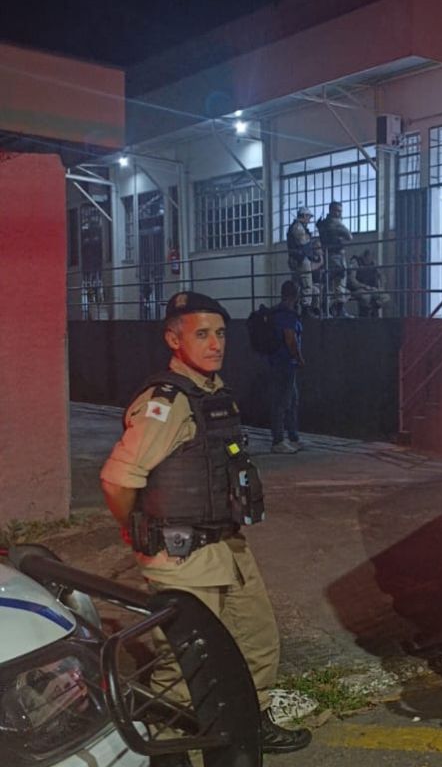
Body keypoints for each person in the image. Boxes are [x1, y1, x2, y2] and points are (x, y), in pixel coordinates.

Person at [99, 291, 311, 766]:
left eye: (220, 334)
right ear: (174, 340)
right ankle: (167, 750)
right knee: (183, 665)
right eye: (201, 334)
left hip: (226, 546)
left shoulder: (213, 394)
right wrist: (134, 529)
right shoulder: (166, 403)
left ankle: (250, 725)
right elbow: (117, 480)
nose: (215, 344)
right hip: (181, 555)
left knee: (256, 640)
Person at [268, 281, 305, 454]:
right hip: (285, 363)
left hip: (278, 362)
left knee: (291, 400)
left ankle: (292, 437)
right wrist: (299, 358)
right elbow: (290, 339)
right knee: (282, 402)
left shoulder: (275, 312)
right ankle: (278, 440)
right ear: (295, 295)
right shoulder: (287, 314)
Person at [316, 200, 353, 317]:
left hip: (327, 255)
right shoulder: (336, 223)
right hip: (337, 256)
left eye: (340, 211)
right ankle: (339, 310)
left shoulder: (323, 223)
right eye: (337, 211)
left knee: (329, 284)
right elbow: (349, 236)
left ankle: (325, 309)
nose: (339, 213)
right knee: (340, 282)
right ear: (331, 210)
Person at [286, 207, 317, 315]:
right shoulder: (298, 227)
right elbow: (303, 242)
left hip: (295, 258)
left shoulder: (295, 227)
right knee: (306, 283)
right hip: (300, 259)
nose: (309, 220)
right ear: (304, 216)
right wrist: (309, 237)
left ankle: (293, 307)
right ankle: (305, 308)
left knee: (297, 284)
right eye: (308, 217)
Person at [348, 247, 389, 318]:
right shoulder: (356, 262)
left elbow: (382, 276)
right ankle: (365, 318)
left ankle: (373, 310)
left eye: (371, 259)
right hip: (358, 288)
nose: (369, 261)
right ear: (364, 256)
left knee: (385, 297)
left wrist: (381, 287)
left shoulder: (373, 262)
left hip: (371, 289)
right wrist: (363, 286)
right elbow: (352, 280)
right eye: (368, 259)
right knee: (366, 297)